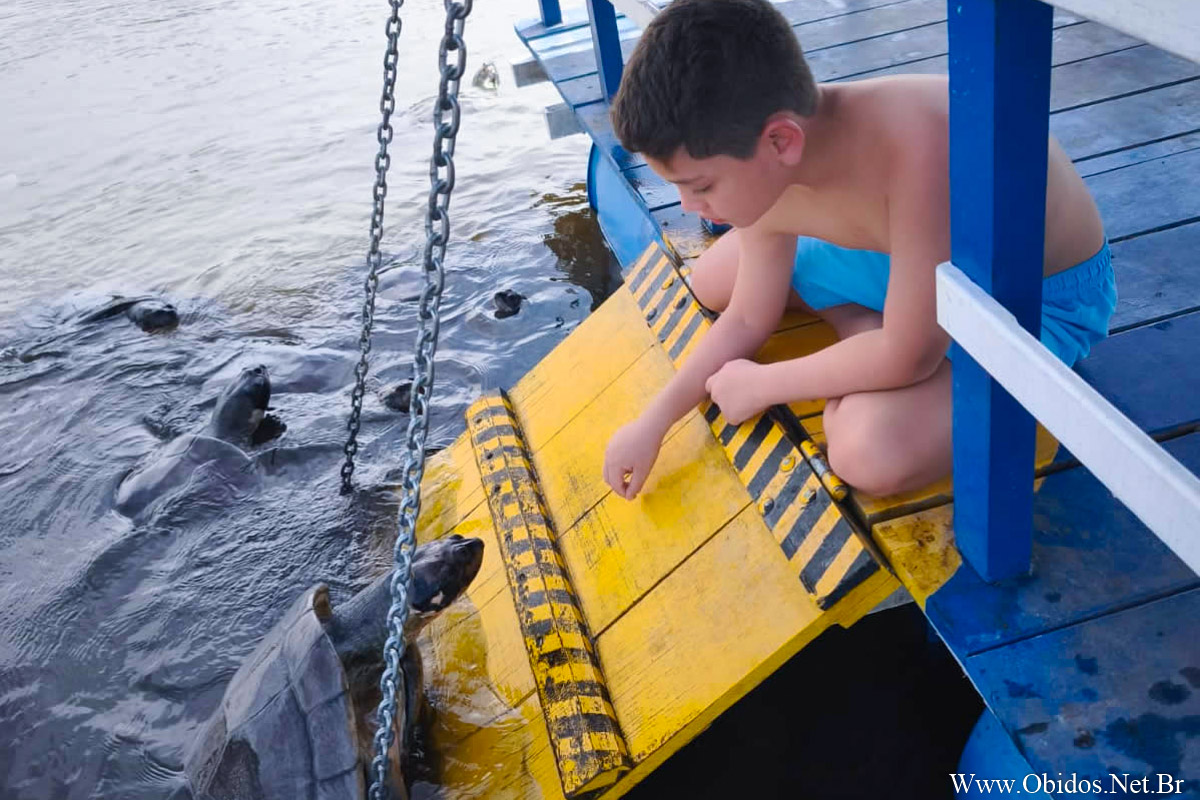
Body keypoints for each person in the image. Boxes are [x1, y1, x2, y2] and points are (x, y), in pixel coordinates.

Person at [600, 0, 1115, 500]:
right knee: (712, 279)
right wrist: (653, 423)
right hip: (901, 258)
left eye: (701, 186)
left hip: (1022, 298)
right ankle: (862, 324)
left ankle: (871, 330)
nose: (689, 206)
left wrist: (762, 384)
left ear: (780, 142)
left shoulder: (922, 149)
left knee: (868, 451)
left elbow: (909, 358)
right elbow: (747, 318)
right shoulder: (769, 156)